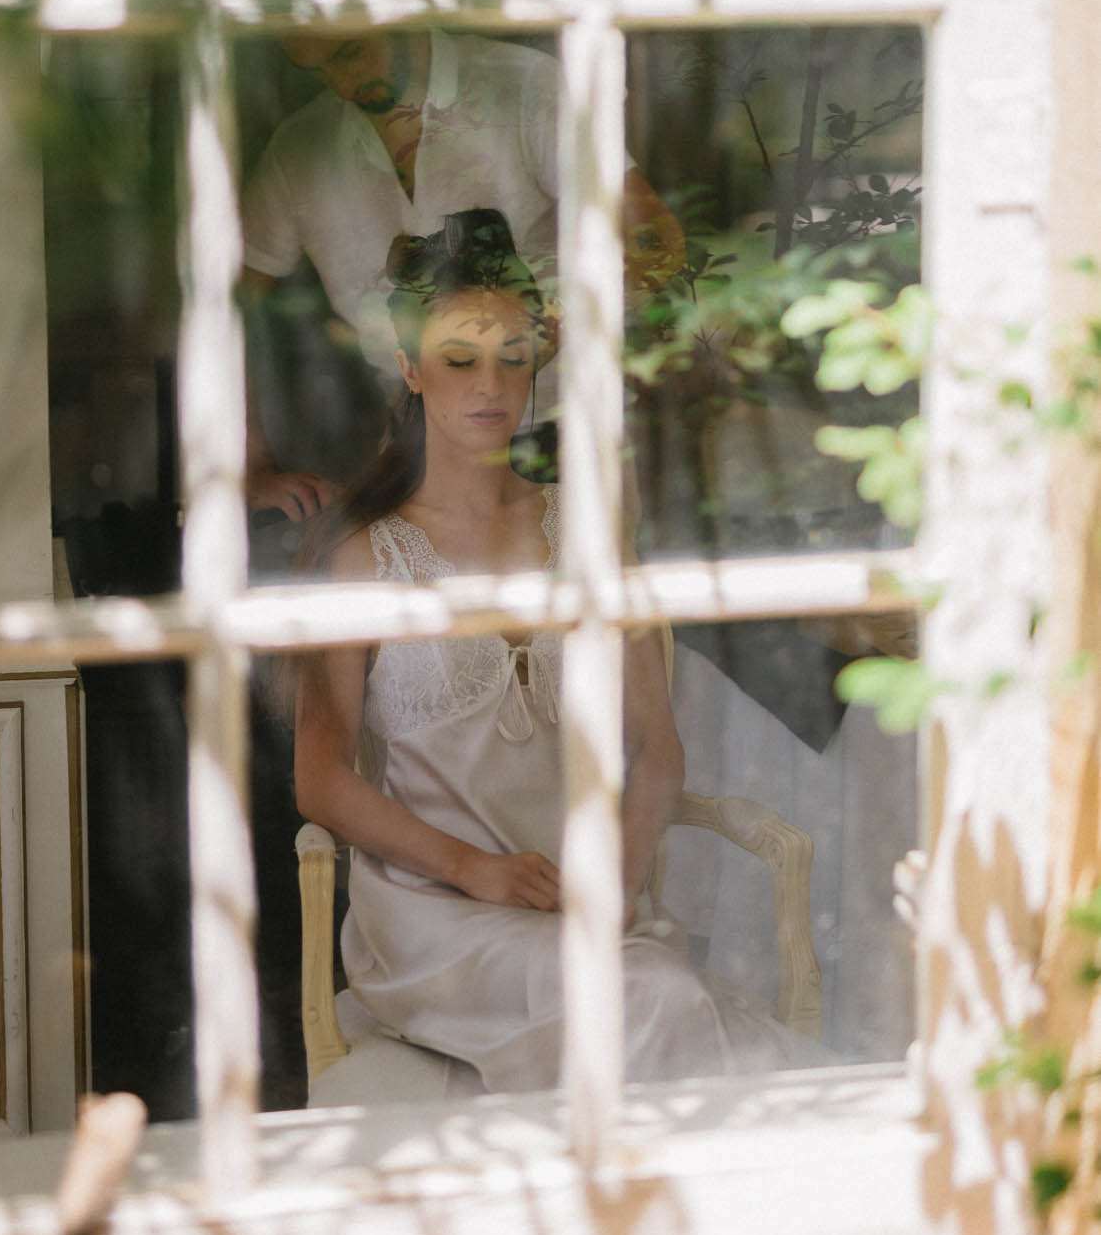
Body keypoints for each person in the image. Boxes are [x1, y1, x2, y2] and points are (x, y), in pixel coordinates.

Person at [293, 208, 820, 1092]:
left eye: (512, 355)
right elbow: (321, 779)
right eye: (459, 360)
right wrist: (474, 870)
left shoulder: (586, 531)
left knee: (645, 987)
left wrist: (611, 883)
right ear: (411, 368)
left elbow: (654, 747)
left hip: (585, 908)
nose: (489, 386)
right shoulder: (363, 558)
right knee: (650, 996)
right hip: (435, 922)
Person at [241, 28, 685, 520]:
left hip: (566, 433)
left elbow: (655, 243)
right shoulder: (300, 148)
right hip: (414, 456)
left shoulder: (524, 87)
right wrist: (246, 467)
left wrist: (560, 322)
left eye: (349, 52)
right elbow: (223, 310)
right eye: (318, 70)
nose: (344, 85)